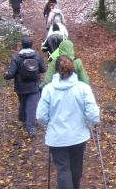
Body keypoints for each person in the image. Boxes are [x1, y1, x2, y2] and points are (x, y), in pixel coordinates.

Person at [36, 55, 99, 189]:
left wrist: (49, 123)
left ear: (56, 70)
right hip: (78, 136)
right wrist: (93, 121)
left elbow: (41, 116)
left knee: (63, 169)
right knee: (76, 168)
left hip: (56, 137)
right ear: (73, 69)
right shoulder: (83, 88)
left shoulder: (48, 89)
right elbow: (93, 113)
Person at [4, 37, 46, 138]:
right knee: (31, 106)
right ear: (31, 45)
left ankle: (24, 122)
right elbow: (43, 69)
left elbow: (10, 74)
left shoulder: (16, 57)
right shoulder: (36, 56)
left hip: (20, 87)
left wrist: (6, 74)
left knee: (23, 103)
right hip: (34, 86)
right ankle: (29, 125)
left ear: (22, 45)